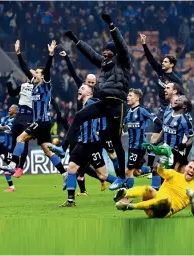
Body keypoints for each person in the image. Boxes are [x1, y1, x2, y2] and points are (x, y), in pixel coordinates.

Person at [62, 13, 131, 190]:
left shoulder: (122, 62)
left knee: (116, 142)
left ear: (113, 52)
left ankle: (122, 177)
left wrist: (111, 24)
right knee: (79, 116)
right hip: (103, 103)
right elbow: (90, 53)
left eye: (107, 50)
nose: (103, 52)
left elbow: (121, 45)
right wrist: (75, 40)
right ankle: (64, 147)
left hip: (117, 104)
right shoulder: (103, 64)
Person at [0, 40, 66, 180]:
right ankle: (65, 174)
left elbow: (47, 70)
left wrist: (51, 55)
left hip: (40, 121)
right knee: (48, 152)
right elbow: (24, 68)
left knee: (20, 138)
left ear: (42, 76)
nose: (34, 74)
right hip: (43, 123)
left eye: (37, 73)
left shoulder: (45, 85)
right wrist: (18, 53)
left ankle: (12, 166)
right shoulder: (34, 86)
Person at [57, 50, 120, 180]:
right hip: (82, 126)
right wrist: (67, 58)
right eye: (89, 83)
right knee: (77, 160)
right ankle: (77, 182)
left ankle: (119, 177)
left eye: (93, 83)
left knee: (112, 154)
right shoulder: (82, 88)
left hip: (99, 129)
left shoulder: (97, 93)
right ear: (85, 82)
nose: (90, 85)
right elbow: (73, 73)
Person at [60, 84, 117, 207]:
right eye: (80, 88)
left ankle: (124, 187)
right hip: (82, 144)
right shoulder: (84, 106)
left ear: (90, 93)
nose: (79, 89)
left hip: (92, 145)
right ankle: (70, 201)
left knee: (103, 175)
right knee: (71, 169)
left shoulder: (92, 102)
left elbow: (101, 105)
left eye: (83, 88)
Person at [139, 33, 185, 176]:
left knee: (165, 142)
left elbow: (182, 97)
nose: (163, 63)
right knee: (153, 139)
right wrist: (144, 45)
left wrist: (177, 111)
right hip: (161, 110)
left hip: (170, 111)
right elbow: (150, 59)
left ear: (171, 64)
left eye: (165, 62)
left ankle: (171, 167)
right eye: (163, 61)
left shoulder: (176, 80)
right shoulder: (160, 71)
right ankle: (152, 170)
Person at [114, 144, 194, 218]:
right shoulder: (174, 174)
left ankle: (129, 206)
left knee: (167, 199)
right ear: (186, 167)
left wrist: (192, 199)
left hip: (163, 211)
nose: (191, 170)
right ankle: (125, 194)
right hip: (150, 203)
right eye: (190, 167)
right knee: (149, 189)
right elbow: (160, 171)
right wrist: (162, 164)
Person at [123, 88, 162, 188]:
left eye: (130, 95)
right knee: (136, 172)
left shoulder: (142, 111)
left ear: (137, 98)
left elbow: (156, 120)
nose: (127, 97)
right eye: (128, 95)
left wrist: (165, 128)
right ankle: (152, 169)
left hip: (139, 145)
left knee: (128, 171)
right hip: (131, 145)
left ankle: (126, 196)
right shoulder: (128, 113)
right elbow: (122, 127)